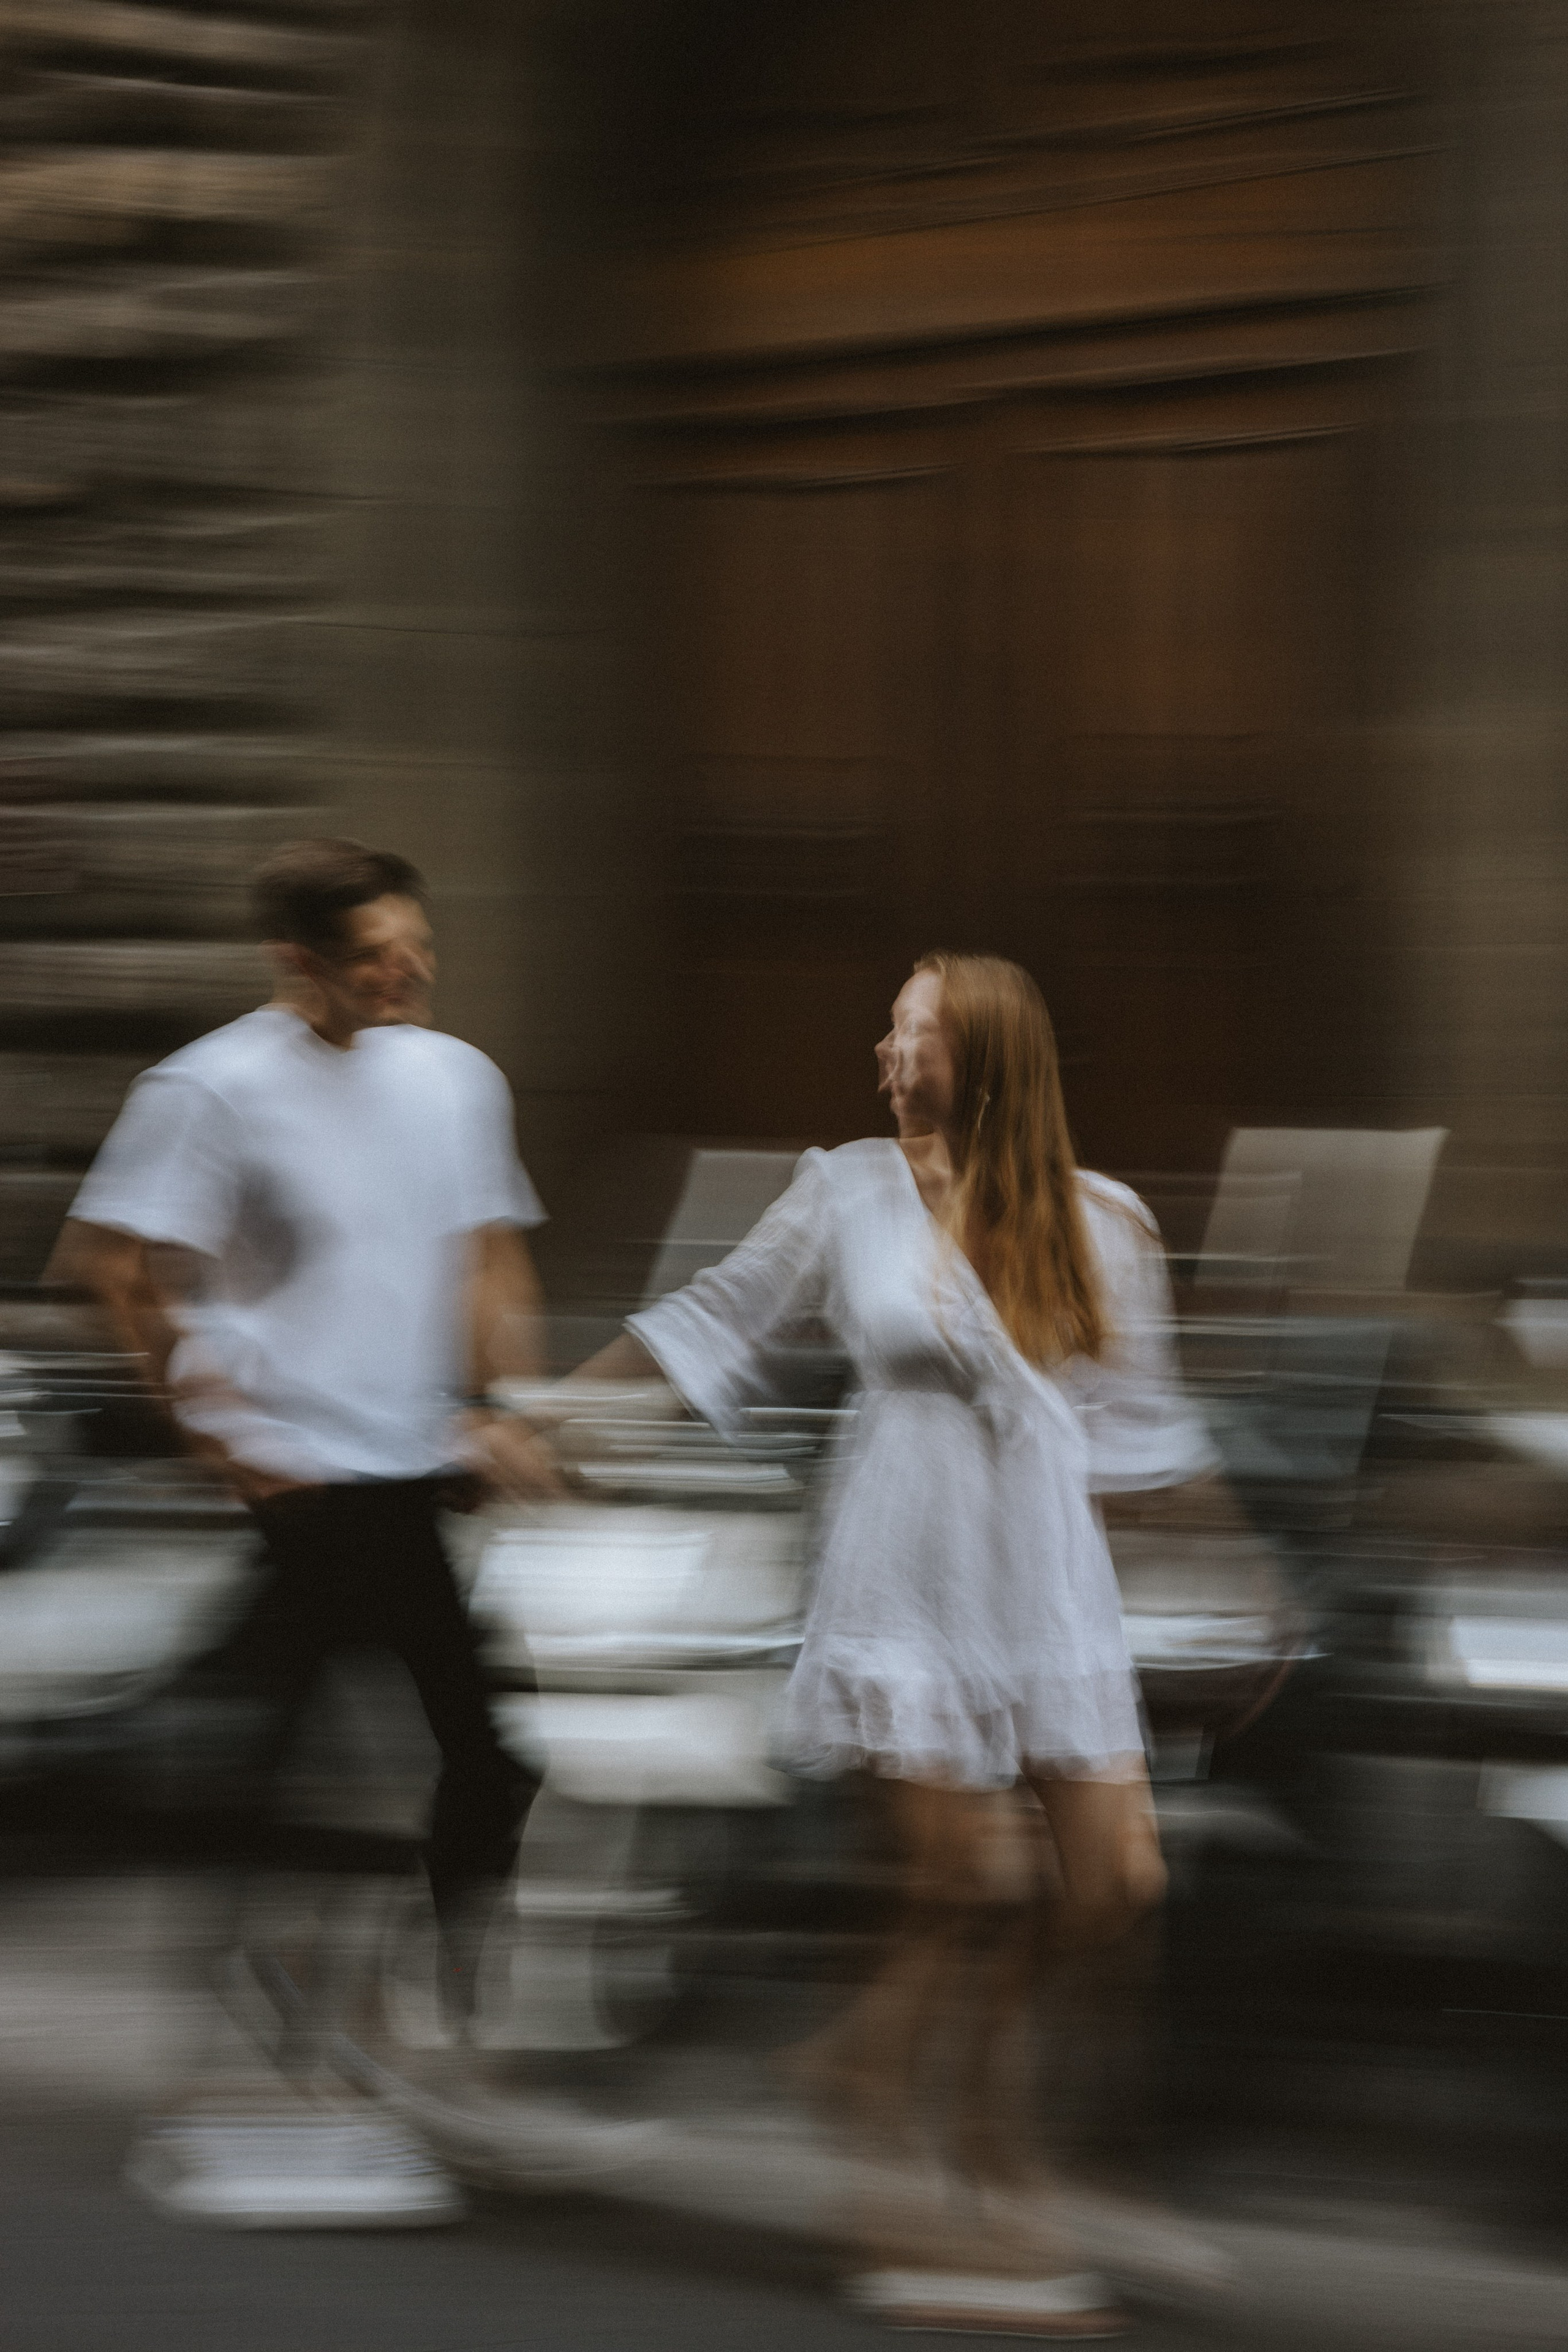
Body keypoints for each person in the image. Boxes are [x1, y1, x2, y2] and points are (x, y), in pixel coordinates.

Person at [554, 952, 1226, 2333]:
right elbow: (713, 1322)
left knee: (1112, 1882)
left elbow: (1146, 1433)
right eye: (890, 1028)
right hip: (902, 1571)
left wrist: (1239, 1585)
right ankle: (900, 2161)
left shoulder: (1103, 1221)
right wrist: (546, 1415)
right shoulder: (846, 1189)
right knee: (957, 1885)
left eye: (913, 1033)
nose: (884, 1052)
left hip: (1041, 1582)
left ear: (981, 1058)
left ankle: (927, 2098)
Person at [50, 839, 565, 2199]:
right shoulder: (212, 1088)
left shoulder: (454, 1078)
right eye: (374, 954)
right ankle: (406, 2017)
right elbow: (109, 1269)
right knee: (459, 1749)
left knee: (301, 1757)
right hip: (307, 1479)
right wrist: (219, 1443)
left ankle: (325, 2000)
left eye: (417, 942)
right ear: (296, 959)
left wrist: (501, 1401)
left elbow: (485, 1251)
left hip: (407, 1463)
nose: (408, 970)